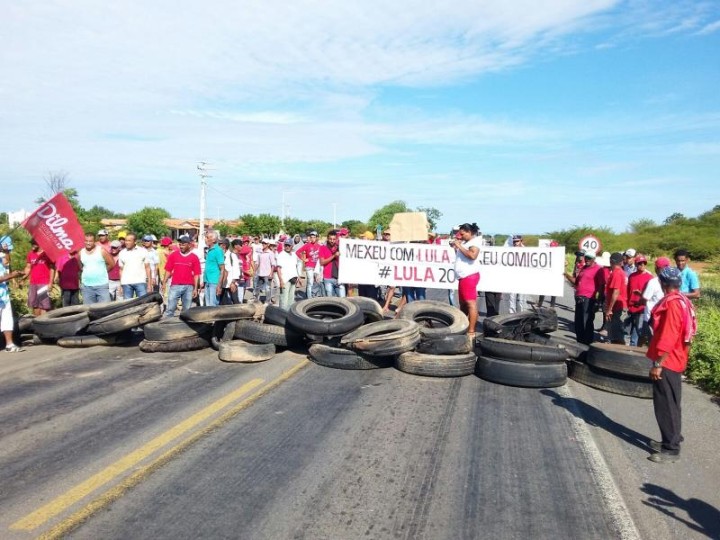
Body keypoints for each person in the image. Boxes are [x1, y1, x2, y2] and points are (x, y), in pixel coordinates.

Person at [646, 266, 697, 463]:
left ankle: (671, 448)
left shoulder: (672, 304)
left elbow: (669, 335)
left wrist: (658, 363)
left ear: (662, 283)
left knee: (665, 404)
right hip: (677, 358)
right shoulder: (684, 300)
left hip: (668, 360)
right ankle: (672, 437)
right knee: (673, 402)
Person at [564, 250, 604, 344]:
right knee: (578, 323)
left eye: (589, 258)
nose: (587, 259)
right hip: (579, 298)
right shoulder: (584, 268)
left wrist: (599, 302)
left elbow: (602, 286)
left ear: (594, 259)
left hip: (589, 299)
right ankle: (579, 343)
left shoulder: (598, 269)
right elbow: (576, 282)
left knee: (586, 323)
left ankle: (587, 344)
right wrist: (566, 274)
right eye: (586, 257)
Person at [452, 222, 482, 339]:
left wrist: (459, 246)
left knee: (470, 303)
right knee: (463, 304)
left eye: (463, 233)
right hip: (463, 277)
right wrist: (457, 247)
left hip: (469, 276)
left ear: (469, 232)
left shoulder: (474, 242)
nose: (461, 235)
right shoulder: (467, 242)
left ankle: (471, 330)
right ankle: (463, 326)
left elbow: (472, 256)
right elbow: (463, 256)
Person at [163, 235, 201, 317]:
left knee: (186, 310)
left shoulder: (194, 258)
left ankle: (184, 327)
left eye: (183, 244)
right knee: (170, 309)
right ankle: (167, 326)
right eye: (180, 244)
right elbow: (168, 270)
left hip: (189, 287)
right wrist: (164, 283)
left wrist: (195, 289)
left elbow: (196, 274)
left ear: (189, 245)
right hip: (175, 285)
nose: (181, 246)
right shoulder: (173, 255)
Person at [640, 256, 671, 344]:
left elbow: (645, 299)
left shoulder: (653, 282)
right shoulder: (672, 281)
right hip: (664, 318)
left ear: (657, 268)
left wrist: (640, 299)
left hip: (651, 318)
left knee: (651, 343)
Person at [0, 246, 25, 352]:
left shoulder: (1, 257)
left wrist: (5, 251)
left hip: (3, 295)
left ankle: (9, 344)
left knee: (7, 319)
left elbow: (6, 262)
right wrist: (11, 275)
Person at [79, 232, 115, 304]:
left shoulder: (101, 251)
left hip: (101, 286)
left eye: (90, 241)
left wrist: (103, 271)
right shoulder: (81, 252)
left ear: (94, 242)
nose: (88, 243)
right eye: (86, 241)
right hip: (87, 286)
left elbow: (112, 264)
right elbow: (80, 267)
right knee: (89, 310)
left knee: (104, 309)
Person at [626, 254, 654, 346]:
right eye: (639, 263)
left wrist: (641, 294)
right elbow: (628, 291)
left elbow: (650, 295)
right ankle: (631, 347)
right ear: (636, 264)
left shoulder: (649, 278)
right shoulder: (632, 276)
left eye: (643, 263)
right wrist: (627, 305)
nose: (642, 265)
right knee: (629, 330)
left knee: (639, 331)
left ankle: (634, 348)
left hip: (642, 308)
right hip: (631, 307)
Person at [24, 239, 55, 315]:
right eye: (32, 244)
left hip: (44, 283)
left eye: (34, 244)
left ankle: (43, 323)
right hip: (33, 283)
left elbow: (52, 269)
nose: (32, 245)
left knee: (44, 306)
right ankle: (36, 323)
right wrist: (23, 276)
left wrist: (51, 282)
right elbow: (28, 267)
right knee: (35, 304)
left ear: (40, 244)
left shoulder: (48, 255)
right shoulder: (30, 254)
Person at [604, 252, 628, 344]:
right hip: (618, 306)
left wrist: (610, 309)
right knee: (615, 332)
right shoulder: (621, 272)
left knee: (616, 334)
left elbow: (616, 292)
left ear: (611, 261)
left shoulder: (616, 273)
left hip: (617, 307)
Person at [118, 233, 152, 299]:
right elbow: (121, 270)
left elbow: (147, 268)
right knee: (128, 305)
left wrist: (149, 284)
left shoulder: (143, 251)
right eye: (126, 240)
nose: (127, 242)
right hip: (126, 283)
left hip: (140, 282)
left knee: (143, 304)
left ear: (135, 241)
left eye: (129, 241)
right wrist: (121, 284)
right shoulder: (122, 253)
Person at [202, 229, 225, 307]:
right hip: (208, 281)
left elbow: (222, 269)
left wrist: (219, 286)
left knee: (213, 306)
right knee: (208, 306)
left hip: (214, 282)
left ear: (214, 239)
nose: (205, 239)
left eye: (207, 237)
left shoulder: (218, 250)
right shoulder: (209, 250)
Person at [296, 231, 322, 299]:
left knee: (317, 282)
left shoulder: (320, 246)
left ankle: (315, 295)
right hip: (309, 266)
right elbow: (297, 252)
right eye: (311, 237)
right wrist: (303, 259)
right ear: (310, 238)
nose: (313, 239)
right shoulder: (307, 245)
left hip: (317, 267)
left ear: (316, 238)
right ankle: (309, 298)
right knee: (310, 282)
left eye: (314, 237)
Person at [276, 238, 301, 309]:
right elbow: (278, 268)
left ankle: (288, 314)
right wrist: (281, 281)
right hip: (285, 280)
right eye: (286, 245)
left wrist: (298, 278)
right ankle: (282, 316)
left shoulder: (294, 255)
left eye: (289, 245)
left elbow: (295, 267)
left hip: (293, 278)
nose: (287, 247)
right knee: (284, 299)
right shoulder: (281, 255)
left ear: (292, 246)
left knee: (291, 299)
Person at [319, 230, 345, 297]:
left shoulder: (341, 248)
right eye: (330, 239)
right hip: (328, 279)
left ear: (336, 239)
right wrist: (334, 256)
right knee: (330, 301)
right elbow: (322, 262)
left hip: (340, 279)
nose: (332, 241)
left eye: (334, 239)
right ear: (327, 239)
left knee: (343, 301)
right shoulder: (322, 248)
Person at [218, 238, 241, 305]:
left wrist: (233, 282)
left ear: (224, 246)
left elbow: (236, 269)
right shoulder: (219, 255)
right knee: (223, 301)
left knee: (235, 300)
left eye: (219, 244)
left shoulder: (232, 255)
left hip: (231, 282)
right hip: (222, 283)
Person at [254, 239, 277, 304]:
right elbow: (257, 263)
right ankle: (256, 300)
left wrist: (271, 273)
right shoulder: (260, 253)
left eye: (265, 243)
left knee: (267, 288)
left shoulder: (270, 253)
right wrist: (254, 272)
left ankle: (267, 301)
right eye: (263, 243)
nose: (263, 244)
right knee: (257, 287)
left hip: (267, 273)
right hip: (259, 273)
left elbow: (273, 264)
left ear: (268, 245)